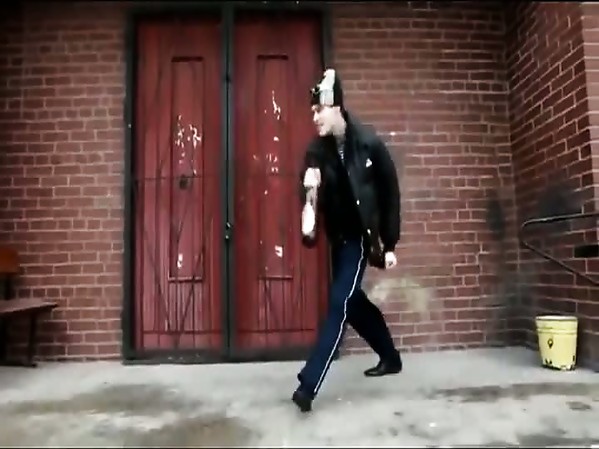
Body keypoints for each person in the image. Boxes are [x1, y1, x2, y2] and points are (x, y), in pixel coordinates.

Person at [292, 68, 403, 413]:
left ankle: (308, 385)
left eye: (319, 110)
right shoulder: (317, 151)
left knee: (339, 303)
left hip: (360, 238)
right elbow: (308, 193)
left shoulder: (368, 144)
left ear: (336, 106)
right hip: (338, 238)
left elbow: (390, 193)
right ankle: (390, 356)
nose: (314, 117)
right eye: (312, 111)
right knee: (352, 302)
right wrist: (309, 196)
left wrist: (389, 243)